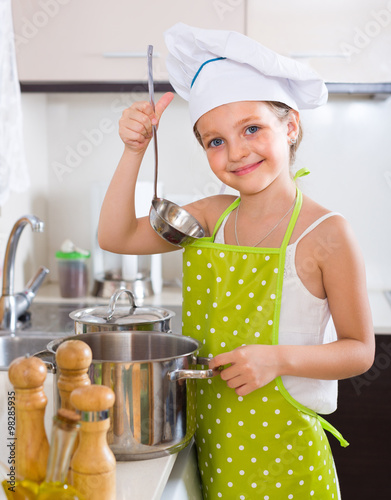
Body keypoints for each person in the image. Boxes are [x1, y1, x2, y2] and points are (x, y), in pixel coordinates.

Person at [98, 22, 374, 500]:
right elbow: (115, 235)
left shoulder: (325, 234)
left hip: (287, 460)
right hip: (211, 445)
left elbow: (359, 350)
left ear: (290, 127)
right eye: (215, 141)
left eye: (252, 129)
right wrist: (133, 151)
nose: (237, 151)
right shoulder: (208, 216)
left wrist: (278, 359)